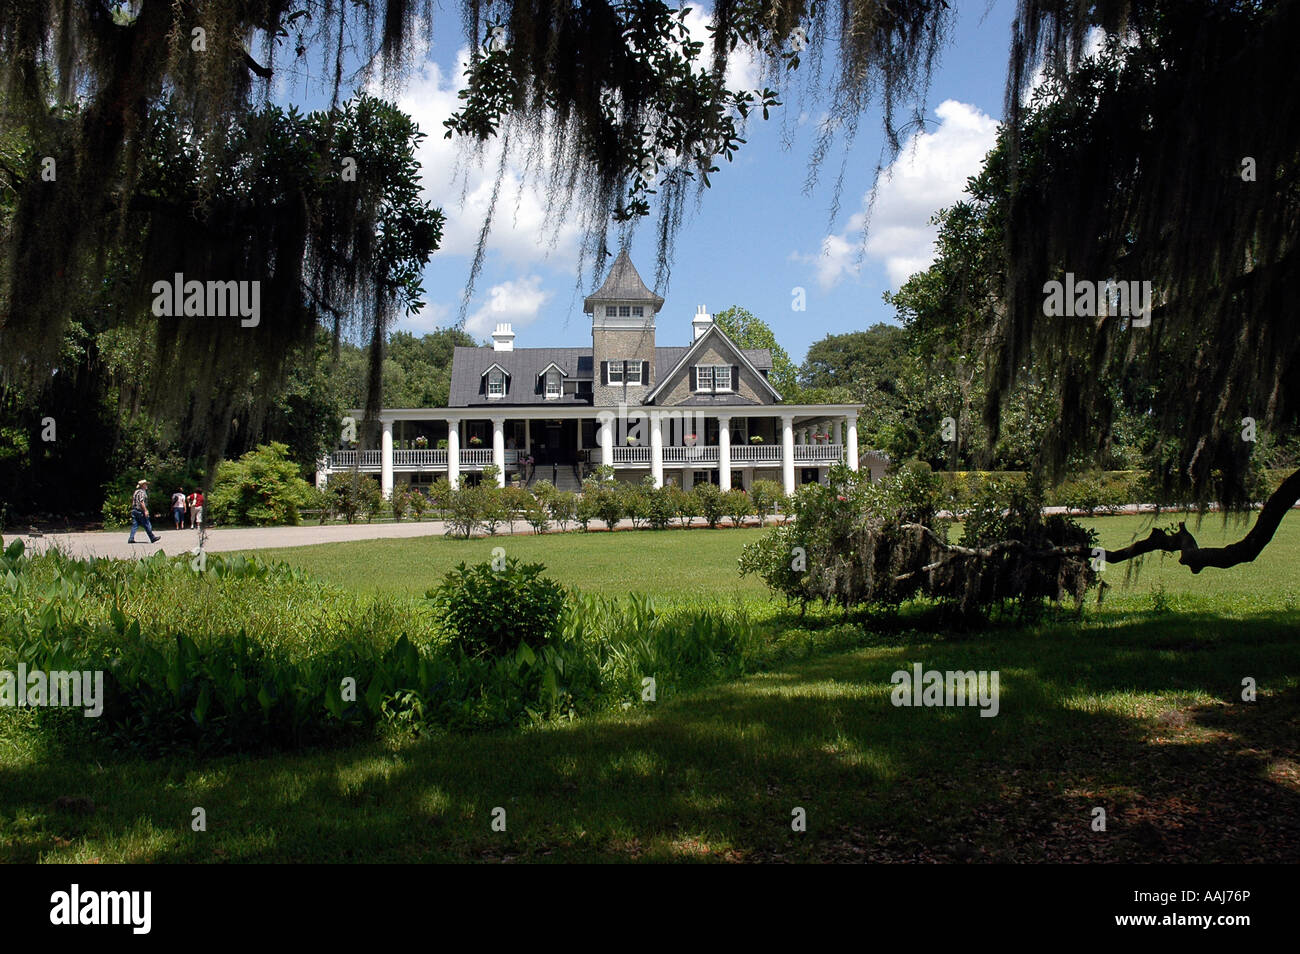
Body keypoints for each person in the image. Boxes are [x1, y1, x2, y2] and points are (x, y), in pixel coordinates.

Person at [128, 479, 160, 544]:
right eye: (145, 484)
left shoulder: (136, 492)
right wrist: (145, 510)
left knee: (135, 525)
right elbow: (141, 502)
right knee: (146, 523)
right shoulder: (142, 492)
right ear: (143, 485)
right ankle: (152, 537)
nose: (146, 485)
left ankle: (131, 538)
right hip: (140, 511)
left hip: (134, 510)